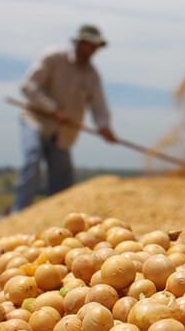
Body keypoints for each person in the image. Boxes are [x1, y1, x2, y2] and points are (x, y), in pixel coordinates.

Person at [12, 24, 117, 212]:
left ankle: (58, 218)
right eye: (89, 45)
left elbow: (99, 105)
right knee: (32, 158)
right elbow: (28, 87)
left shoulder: (92, 75)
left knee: (63, 178)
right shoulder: (53, 58)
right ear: (79, 43)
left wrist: (104, 126)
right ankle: (19, 213)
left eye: (95, 47)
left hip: (64, 130)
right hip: (36, 119)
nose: (92, 50)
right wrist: (53, 108)